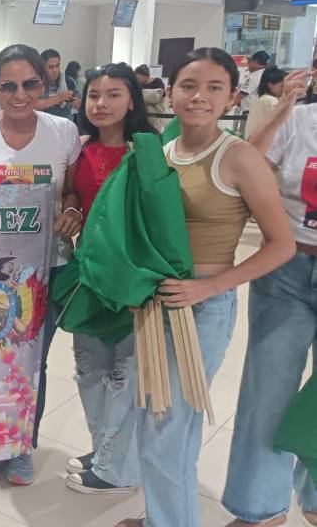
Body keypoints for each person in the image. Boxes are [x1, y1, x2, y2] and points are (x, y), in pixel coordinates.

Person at [114, 47, 295, 527]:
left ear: (233, 95)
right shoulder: (162, 153)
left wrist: (210, 288)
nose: (199, 97)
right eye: (189, 86)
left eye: (215, 88)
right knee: (159, 420)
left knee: (166, 429)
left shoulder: (239, 158)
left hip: (202, 305)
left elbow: (281, 246)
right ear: (168, 92)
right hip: (156, 303)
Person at [0, 43, 84, 486]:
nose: (19, 94)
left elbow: (74, 192)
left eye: (29, 84)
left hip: (47, 270)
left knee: (31, 362)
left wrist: (72, 212)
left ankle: (22, 444)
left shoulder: (63, 131)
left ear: (44, 85)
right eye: (8, 86)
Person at [221, 69, 317, 527]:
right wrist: (281, 113)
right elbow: (243, 166)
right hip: (288, 269)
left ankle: (314, 495)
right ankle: (260, 509)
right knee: (268, 389)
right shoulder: (299, 121)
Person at [62, 63, 156, 495]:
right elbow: (72, 194)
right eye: (94, 95)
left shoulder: (150, 150)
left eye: (113, 94)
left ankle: (119, 467)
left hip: (135, 281)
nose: (101, 104)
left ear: (132, 100)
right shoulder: (79, 149)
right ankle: (104, 449)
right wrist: (71, 209)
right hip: (91, 274)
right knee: (89, 368)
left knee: (126, 373)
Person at [243, 67, 287, 139]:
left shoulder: (259, 99)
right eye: (281, 86)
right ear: (270, 85)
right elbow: (284, 125)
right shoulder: (271, 101)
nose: (284, 89)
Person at [36, 48, 79, 119]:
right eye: (50, 67)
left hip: (66, 125)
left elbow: (82, 105)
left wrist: (74, 99)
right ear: (42, 67)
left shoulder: (69, 81)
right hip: (44, 125)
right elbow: (31, 106)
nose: (55, 70)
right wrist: (57, 99)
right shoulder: (35, 82)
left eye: (57, 66)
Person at [135, 64, 169, 133]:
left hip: (157, 113)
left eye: (138, 77)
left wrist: (144, 94)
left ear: (145, 75)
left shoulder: (157, 81)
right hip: (144, 113)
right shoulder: (139, 84)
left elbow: (160, 95)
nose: (137, 79)